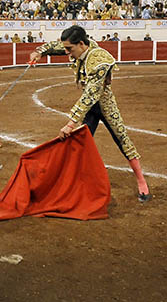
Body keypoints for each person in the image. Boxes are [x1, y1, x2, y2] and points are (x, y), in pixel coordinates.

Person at [29, 25, 151, 202]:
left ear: (81, 44)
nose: (68, 54)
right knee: (81, 143)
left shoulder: (99, 60)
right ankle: (78, 182)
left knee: (122, 139)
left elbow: (92, 94)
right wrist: (40, 52)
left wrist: (71, 123)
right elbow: (58, 46)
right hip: (91, 108)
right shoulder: (82, 46)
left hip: (105, 105)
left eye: (70, 49)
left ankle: (142, 182)